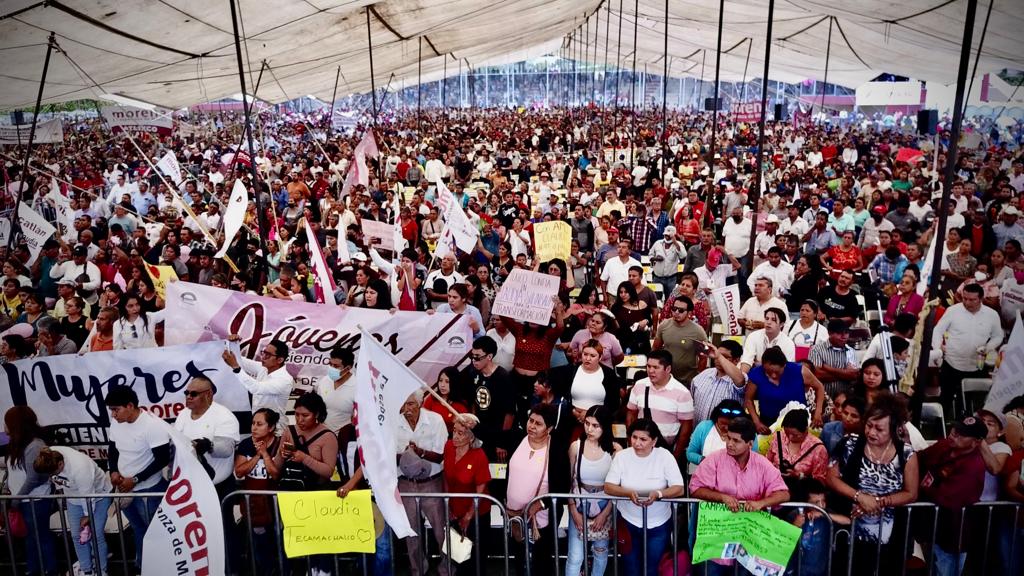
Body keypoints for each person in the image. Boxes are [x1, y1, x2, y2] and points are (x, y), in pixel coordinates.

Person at [825, 394, 919, 574]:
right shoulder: (849, 444)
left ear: (894, 429)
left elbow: (911, 493)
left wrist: (876, 501)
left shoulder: (907, 454)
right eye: (869, 425)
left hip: (891, 537)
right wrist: (859, 497)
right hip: (849, 533)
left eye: (879, 429)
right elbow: (831, 478)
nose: (871, 432)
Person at [690, 417, 791, 575]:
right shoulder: (714, 460)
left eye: (736, 441)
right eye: (728, 438)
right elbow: (695, 488)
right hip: (716, 539)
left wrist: (761, 503)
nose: (729, 444)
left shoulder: (763, 464)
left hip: (749, 542)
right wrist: (722, 497)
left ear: (750, 444)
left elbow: (784, 494)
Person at [603, 418, 686, 576]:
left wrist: (659, 494)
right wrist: (627, 493)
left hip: (659, 524)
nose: (637, 443)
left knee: (653, 568)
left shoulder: (664, 456)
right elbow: (608, 486)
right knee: (630, 568)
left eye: (643, 439)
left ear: (654, 441)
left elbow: (679, 488)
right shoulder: (622, 457)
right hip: (628, 521)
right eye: (634, 437)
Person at [106, 385, 171, 571]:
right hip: (125, 488)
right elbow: (113, 449)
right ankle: (145, 567)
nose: (113, 415)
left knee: (156, 532)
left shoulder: (152, 425)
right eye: (111, 410)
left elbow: (162, 459)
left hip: (149, 490)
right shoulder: (116, 423)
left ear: (130, 405)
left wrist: (135, 479)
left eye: (116, 409)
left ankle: (164, 569)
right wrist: (113, 471)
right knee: (138, 529)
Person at [916, 416, 988, 576]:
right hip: (929, 524)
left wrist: (920, 488)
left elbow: (948, 498)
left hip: (953, 532)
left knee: (946, 570)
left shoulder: (973, 466)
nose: (954, 434)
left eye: (962, 434)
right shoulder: (944, 446)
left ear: (976, 442)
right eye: (955, 429)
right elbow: (917, 459)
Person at [33, 446, 113, 576]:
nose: (52, 476)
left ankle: (101, 570)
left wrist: (87, 516)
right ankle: (86, 570)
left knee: (96, 535)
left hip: (99, 495)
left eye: (54, 473)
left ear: (60, 463)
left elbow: (88, 496)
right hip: (73, 498)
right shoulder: (48, 455)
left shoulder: (80, 467)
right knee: (77, 535)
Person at [396, 390, 451, 576]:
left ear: (420, 403)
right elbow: (388, 454)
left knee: (441, 530)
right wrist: (406, 456)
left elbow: (442, 455)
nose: (406, 409)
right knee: (411, 532)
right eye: (403, 404)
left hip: (431, 482)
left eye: (411, 404)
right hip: (405, 483)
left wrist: (419, 453)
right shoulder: (394, 422)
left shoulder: (435, 420)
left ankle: (448, 569)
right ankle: (417, 570)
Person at [506, 404, 564, 573]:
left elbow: (562, 485)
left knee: (541, 562)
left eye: (538, 424)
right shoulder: (518, 438)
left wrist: (540, 505)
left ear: (550, 428)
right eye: (530, 420)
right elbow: (494, 435)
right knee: (519, 559)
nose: (531, 426)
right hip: (515, 516)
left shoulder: (557, 450)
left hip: (540, 520)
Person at [932, 284, 1003, 418]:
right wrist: (937, 348)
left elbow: (998, 336)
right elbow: (938, 330)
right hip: (952, 362)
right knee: (945, 398)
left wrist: (988, 347)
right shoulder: (953, 311)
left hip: (976, 365)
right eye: (964, 298)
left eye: (971, 300)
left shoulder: (991, 315)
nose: (966, 302)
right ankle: (939, 425)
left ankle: (968, 424)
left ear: (981, 299)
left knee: (972, 401)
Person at [565, 406, 620, 576]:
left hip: (605, 503)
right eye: (587, 423)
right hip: (580, 501)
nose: (589, 429)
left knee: (601, 552)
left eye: (595, 425)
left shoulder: (616, 450)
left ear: (605, 426)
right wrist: (573, 510)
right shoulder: (576, 447)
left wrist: (605, 514)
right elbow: (569, 480)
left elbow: (617, 488)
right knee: (575, 556)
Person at [3, 406, 57, 576]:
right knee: (30, 538)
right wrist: (7, 490)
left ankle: (50, 569)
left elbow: (34, 478)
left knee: (41, 536)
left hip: (36, 499)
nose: (4, 426)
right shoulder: (16, 445)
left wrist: (17, 498)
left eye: (7, 422)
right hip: (24, 499)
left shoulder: (35, 446)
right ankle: (34, 569)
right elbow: (11, 471)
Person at [232, 408, 287, 571]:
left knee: (280, 542)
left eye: (259, 424)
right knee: (259, 545)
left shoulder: (280, 444)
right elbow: (239, 471)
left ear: (270, 428)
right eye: (253, 423)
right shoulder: (246, 444)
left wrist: (265, 454)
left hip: (276, 505)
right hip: (255, 505)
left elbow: (275, 474)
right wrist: (256, 456)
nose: (254, 427)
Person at [173, 375, 240, 496]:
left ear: (208, 394)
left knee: (223, 516)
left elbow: (226, 449)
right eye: (186, 393)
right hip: (189, 486)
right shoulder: (182, 415)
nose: (188, 397)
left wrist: (209, 446)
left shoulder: (224, 416)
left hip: (218, 487)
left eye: (193, 394)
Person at [442, 415, 491, 574]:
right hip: (455, 511)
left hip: (477, 514)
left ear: (471, 438)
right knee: (458, 554)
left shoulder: (479, 455)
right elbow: (446, 477)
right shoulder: (449, 447)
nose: (455, 436)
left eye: (461, 433)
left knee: (476, 558)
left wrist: (469, 516)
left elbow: (481, 488)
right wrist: (448, 505)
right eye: (454, 431)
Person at [626, 349, 695, 459]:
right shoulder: (639, 385)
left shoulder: (682, 393)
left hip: (667, 450)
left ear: (668, 369)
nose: (650, 371)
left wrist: (675, 455)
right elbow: (631, 415)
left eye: (656, 367)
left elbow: (686, 428)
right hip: (640, 448)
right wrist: (631, 442)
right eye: (648, 366)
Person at [457, 336, 516, 462]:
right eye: (472, 356)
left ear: (489, 357)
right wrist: (473, 427)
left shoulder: (503, 378)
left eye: (478, 357)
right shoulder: (472, 373)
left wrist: (501, 442)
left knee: (495, 474)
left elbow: (509, 413)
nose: (474, 360)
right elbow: (472, 402)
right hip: (479, 432)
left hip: (496, 435)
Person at [745, 346, 825, 433]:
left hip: (798, 421)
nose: (773, 375)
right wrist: (757, 422)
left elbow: (819, 387)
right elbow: (748, 399)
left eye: (777, 372)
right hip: (768, 422)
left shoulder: (799, 371)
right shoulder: (756, 374)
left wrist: (818, 412)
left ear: (785, 365)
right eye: (768, 372)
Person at [222, 337, 295, 426]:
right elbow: (239, 360)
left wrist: (236, 368)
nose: (263, 357)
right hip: (257, 423)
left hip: (275, 429)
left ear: (280, 360)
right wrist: (233, 344)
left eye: (268, 355)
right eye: (264, 352)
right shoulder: (263, 368)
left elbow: (257, 388)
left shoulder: (285, 379)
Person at [550, 339, 622, 418]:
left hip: (598, 419)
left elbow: (614, 403)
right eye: (585, 354)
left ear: (600, 357)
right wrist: (572, 411)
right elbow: (562, 396)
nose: (588, 359)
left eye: (592, 356)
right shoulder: (570, 371)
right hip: (572, 417)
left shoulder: (609, 374)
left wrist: (591, 414)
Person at [765, 409, 828, 498]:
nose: (790, 437)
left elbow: (820, 482)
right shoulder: (778, 437)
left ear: (806, 430)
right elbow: (766, 463)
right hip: (774, 489)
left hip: (801, 495)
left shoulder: (818, 449)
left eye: (795, 435)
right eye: (787, 433)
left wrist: (799, 476)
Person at [281, 392, 338, 490]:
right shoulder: (289, 431)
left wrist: (304, 458)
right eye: (297, 414)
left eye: (305, 415)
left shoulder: (328, 437)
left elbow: (329, 472)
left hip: (315, 492)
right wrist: (281, 454)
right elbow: (277, 468)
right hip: (289, 489)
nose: (300, 420)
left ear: (316, 414)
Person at [652, 294, 709, 384]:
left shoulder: (698, 331)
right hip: (666, 378)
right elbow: (655, 349)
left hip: (687, 380)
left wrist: (697, 378)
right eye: (674, 309)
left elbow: (703, 358)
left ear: (689, 313)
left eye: (681, 310)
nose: (676, 312)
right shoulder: (664, 325)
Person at [689, 339, 747, 423]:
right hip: (698, 433)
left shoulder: (740, 377)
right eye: (717, 355)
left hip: (725, 434)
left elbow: (740, 380)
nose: (718, 359)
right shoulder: (703, 375)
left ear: (736, 360)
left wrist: (719, 356)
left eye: (725, 357)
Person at [808, 319, 861, 398]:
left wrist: (828, 369)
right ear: (829, 333)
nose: (844, 336)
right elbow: (816, 375)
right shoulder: (816, 349)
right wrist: (845, 374)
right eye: (839, 333)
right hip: (821, 398)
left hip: (844, 402)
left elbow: (854, 375)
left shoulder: (851, 351)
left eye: (846, 333)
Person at [686, 398, 745, 468]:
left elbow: (753, 457)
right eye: (723, 423)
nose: (726, 427)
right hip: (706, 473)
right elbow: (690, 453)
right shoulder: (704, 427)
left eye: (731, 425)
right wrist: (705, 460)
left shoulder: (746, 431)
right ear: (716, 417)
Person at [739, 307, 796, 372]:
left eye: (773, 320)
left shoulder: (788, 343)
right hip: (755, 375)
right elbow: (746, 361)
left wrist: (759, 364)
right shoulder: (753, 336)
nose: (768, 322)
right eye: (767, 319)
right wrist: (743, 377)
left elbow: (786, 368)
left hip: (778, 377)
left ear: (781, 324)